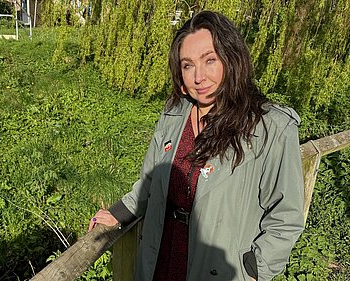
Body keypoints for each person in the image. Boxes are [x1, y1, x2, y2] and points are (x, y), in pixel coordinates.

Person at [88, 11, 304, 281]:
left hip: (218, 270)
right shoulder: (174, 116)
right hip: (161, 258)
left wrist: (255, 269)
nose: (198, 77)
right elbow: (151, 180)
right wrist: (117, 213)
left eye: (210, 60)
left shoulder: (271, 127)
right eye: (188, 65)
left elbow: (287, 216)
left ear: (231, 58)